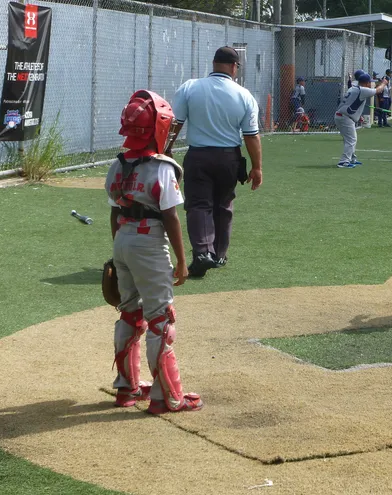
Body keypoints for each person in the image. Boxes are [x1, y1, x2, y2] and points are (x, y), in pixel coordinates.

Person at [105, 90, 203, 414]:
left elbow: (114, 213)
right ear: (158, 128)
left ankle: (126, 388)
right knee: (162, 320)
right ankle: (167, 397)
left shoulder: (118, 165)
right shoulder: (162, 167)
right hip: (149, 244)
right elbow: (171, 216)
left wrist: (121, 250)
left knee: (130, 314)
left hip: (122, 239)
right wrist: (182, 260)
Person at [171, 46, 263, 278]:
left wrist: (166, 150)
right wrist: (257, 167)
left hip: (198, 155)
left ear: (213, 64)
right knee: (223, 205)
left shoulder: (190, 87)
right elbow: (251, 135)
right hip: (229, 157)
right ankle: (220, 254)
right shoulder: (244, 95)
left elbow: (175, 123)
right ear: (234, 67)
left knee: (199, 204)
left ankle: (203, 252)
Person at [334, 71, 387, 168]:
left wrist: (358, 116)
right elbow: (378, 90)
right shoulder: (362, 90)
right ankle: (344, 162)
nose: (371, 84)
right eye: (370, 82)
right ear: (367, 83)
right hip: (345, 117)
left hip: (341, 115)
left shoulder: (353, 88)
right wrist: (383, 83)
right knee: (351, 139)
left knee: (349, 139)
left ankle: (352, 158)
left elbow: (353, 103)